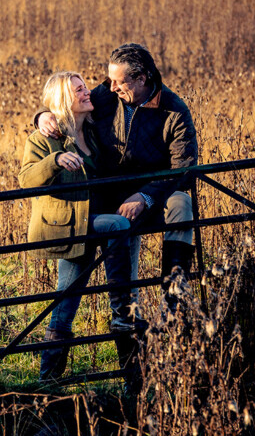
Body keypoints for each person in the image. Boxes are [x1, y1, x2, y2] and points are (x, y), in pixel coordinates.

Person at [36, 43, 197, 315]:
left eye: (119, 82)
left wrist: (145, 197)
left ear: (142, 79)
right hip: (106, 199)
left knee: (182, 204)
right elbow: (67, 106)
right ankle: (124, 319)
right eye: (109, 80)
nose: (110, 88)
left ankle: (174, 298)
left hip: (152, 195)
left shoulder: (175, 111)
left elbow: (183, 169)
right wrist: (42, 117)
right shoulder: (108, 94)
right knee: (96, 285)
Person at [19, 71, 143, 382]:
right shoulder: (43, 139)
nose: (87, 93)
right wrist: (55, 160)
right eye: (78, 90)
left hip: (96, 221)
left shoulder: (94, 128)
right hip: (70, 225)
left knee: (66, 299)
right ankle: (49, 381)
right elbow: (26, 179)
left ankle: (126, 370)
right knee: (67, 300)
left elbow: (112, 83)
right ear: (64, 99)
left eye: (85, 87)